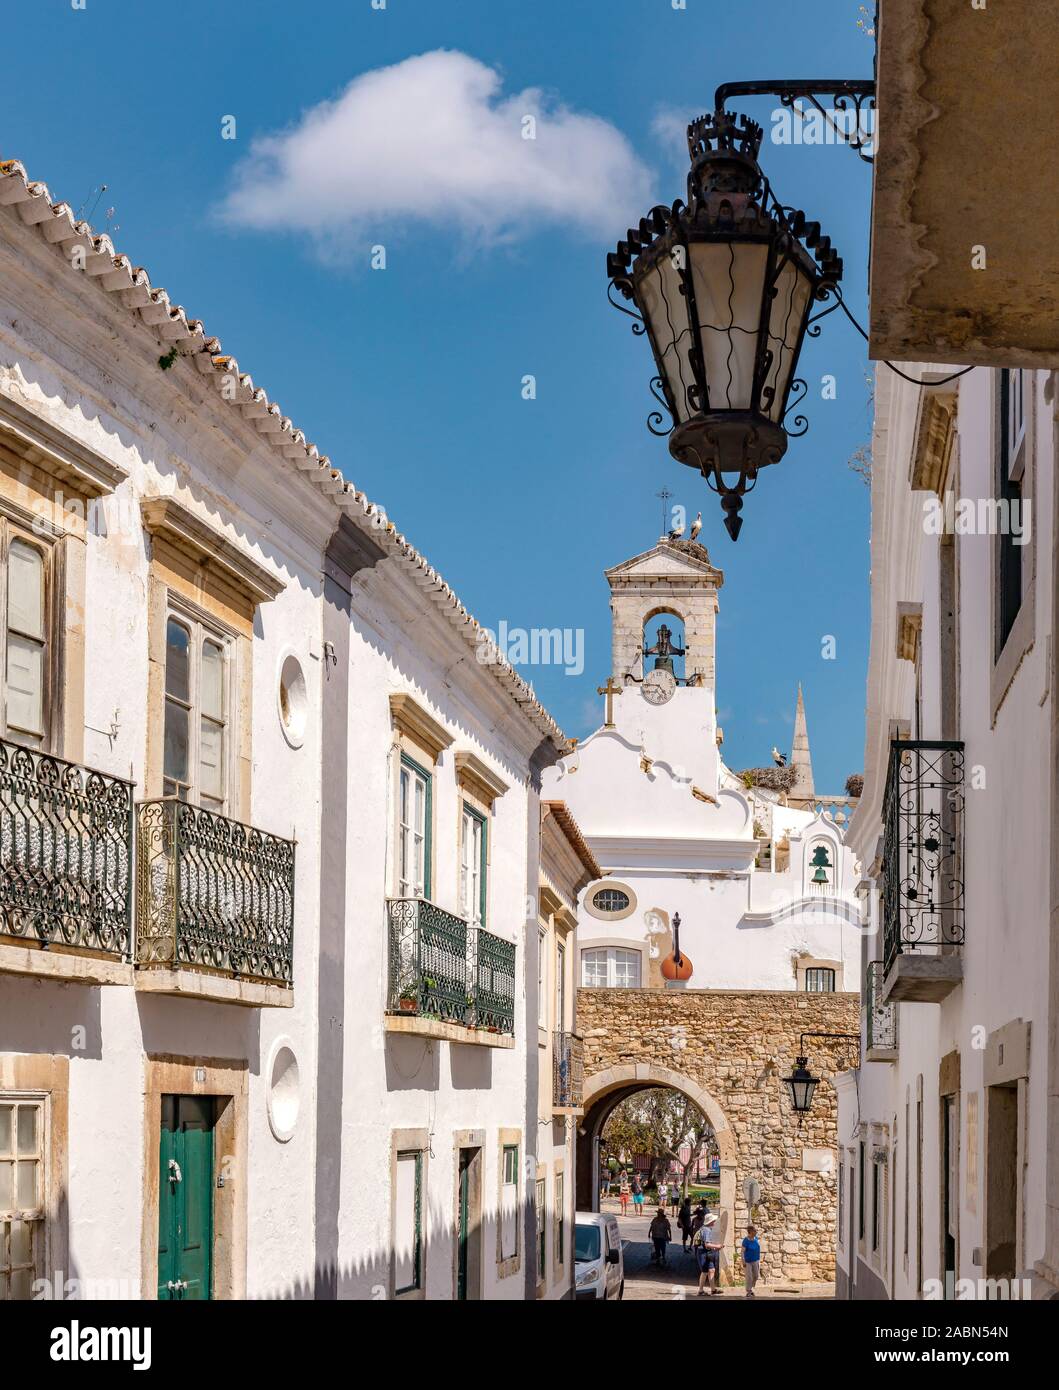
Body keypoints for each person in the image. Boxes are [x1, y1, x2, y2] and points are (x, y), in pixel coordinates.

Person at [693, 1213, 722, 1296]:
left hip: (705, 1252)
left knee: (711, 1270)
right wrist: (717, 1246)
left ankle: (713, 1289)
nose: (715, 1222)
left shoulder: (705, 1228)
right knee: (705, 1271)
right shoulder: (706, 1230)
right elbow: (707, 1244)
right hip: (703, 1253)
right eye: (713, 1220)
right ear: (711, 1221)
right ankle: (701, 1290)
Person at [741, 1224, 761, 1296]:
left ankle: (751, 1288)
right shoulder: (746, 1240)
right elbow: (742, 1252)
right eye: (755, 1231)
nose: (756, 1232)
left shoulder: (756, 1238)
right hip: (748, 1261)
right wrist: (743, 1261)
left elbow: (757, 1249)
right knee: (749, 1277)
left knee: (756, 1276)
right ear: (751, 1231)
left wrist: (759, 1259)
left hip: (755, 1260)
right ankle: (748, 1291)